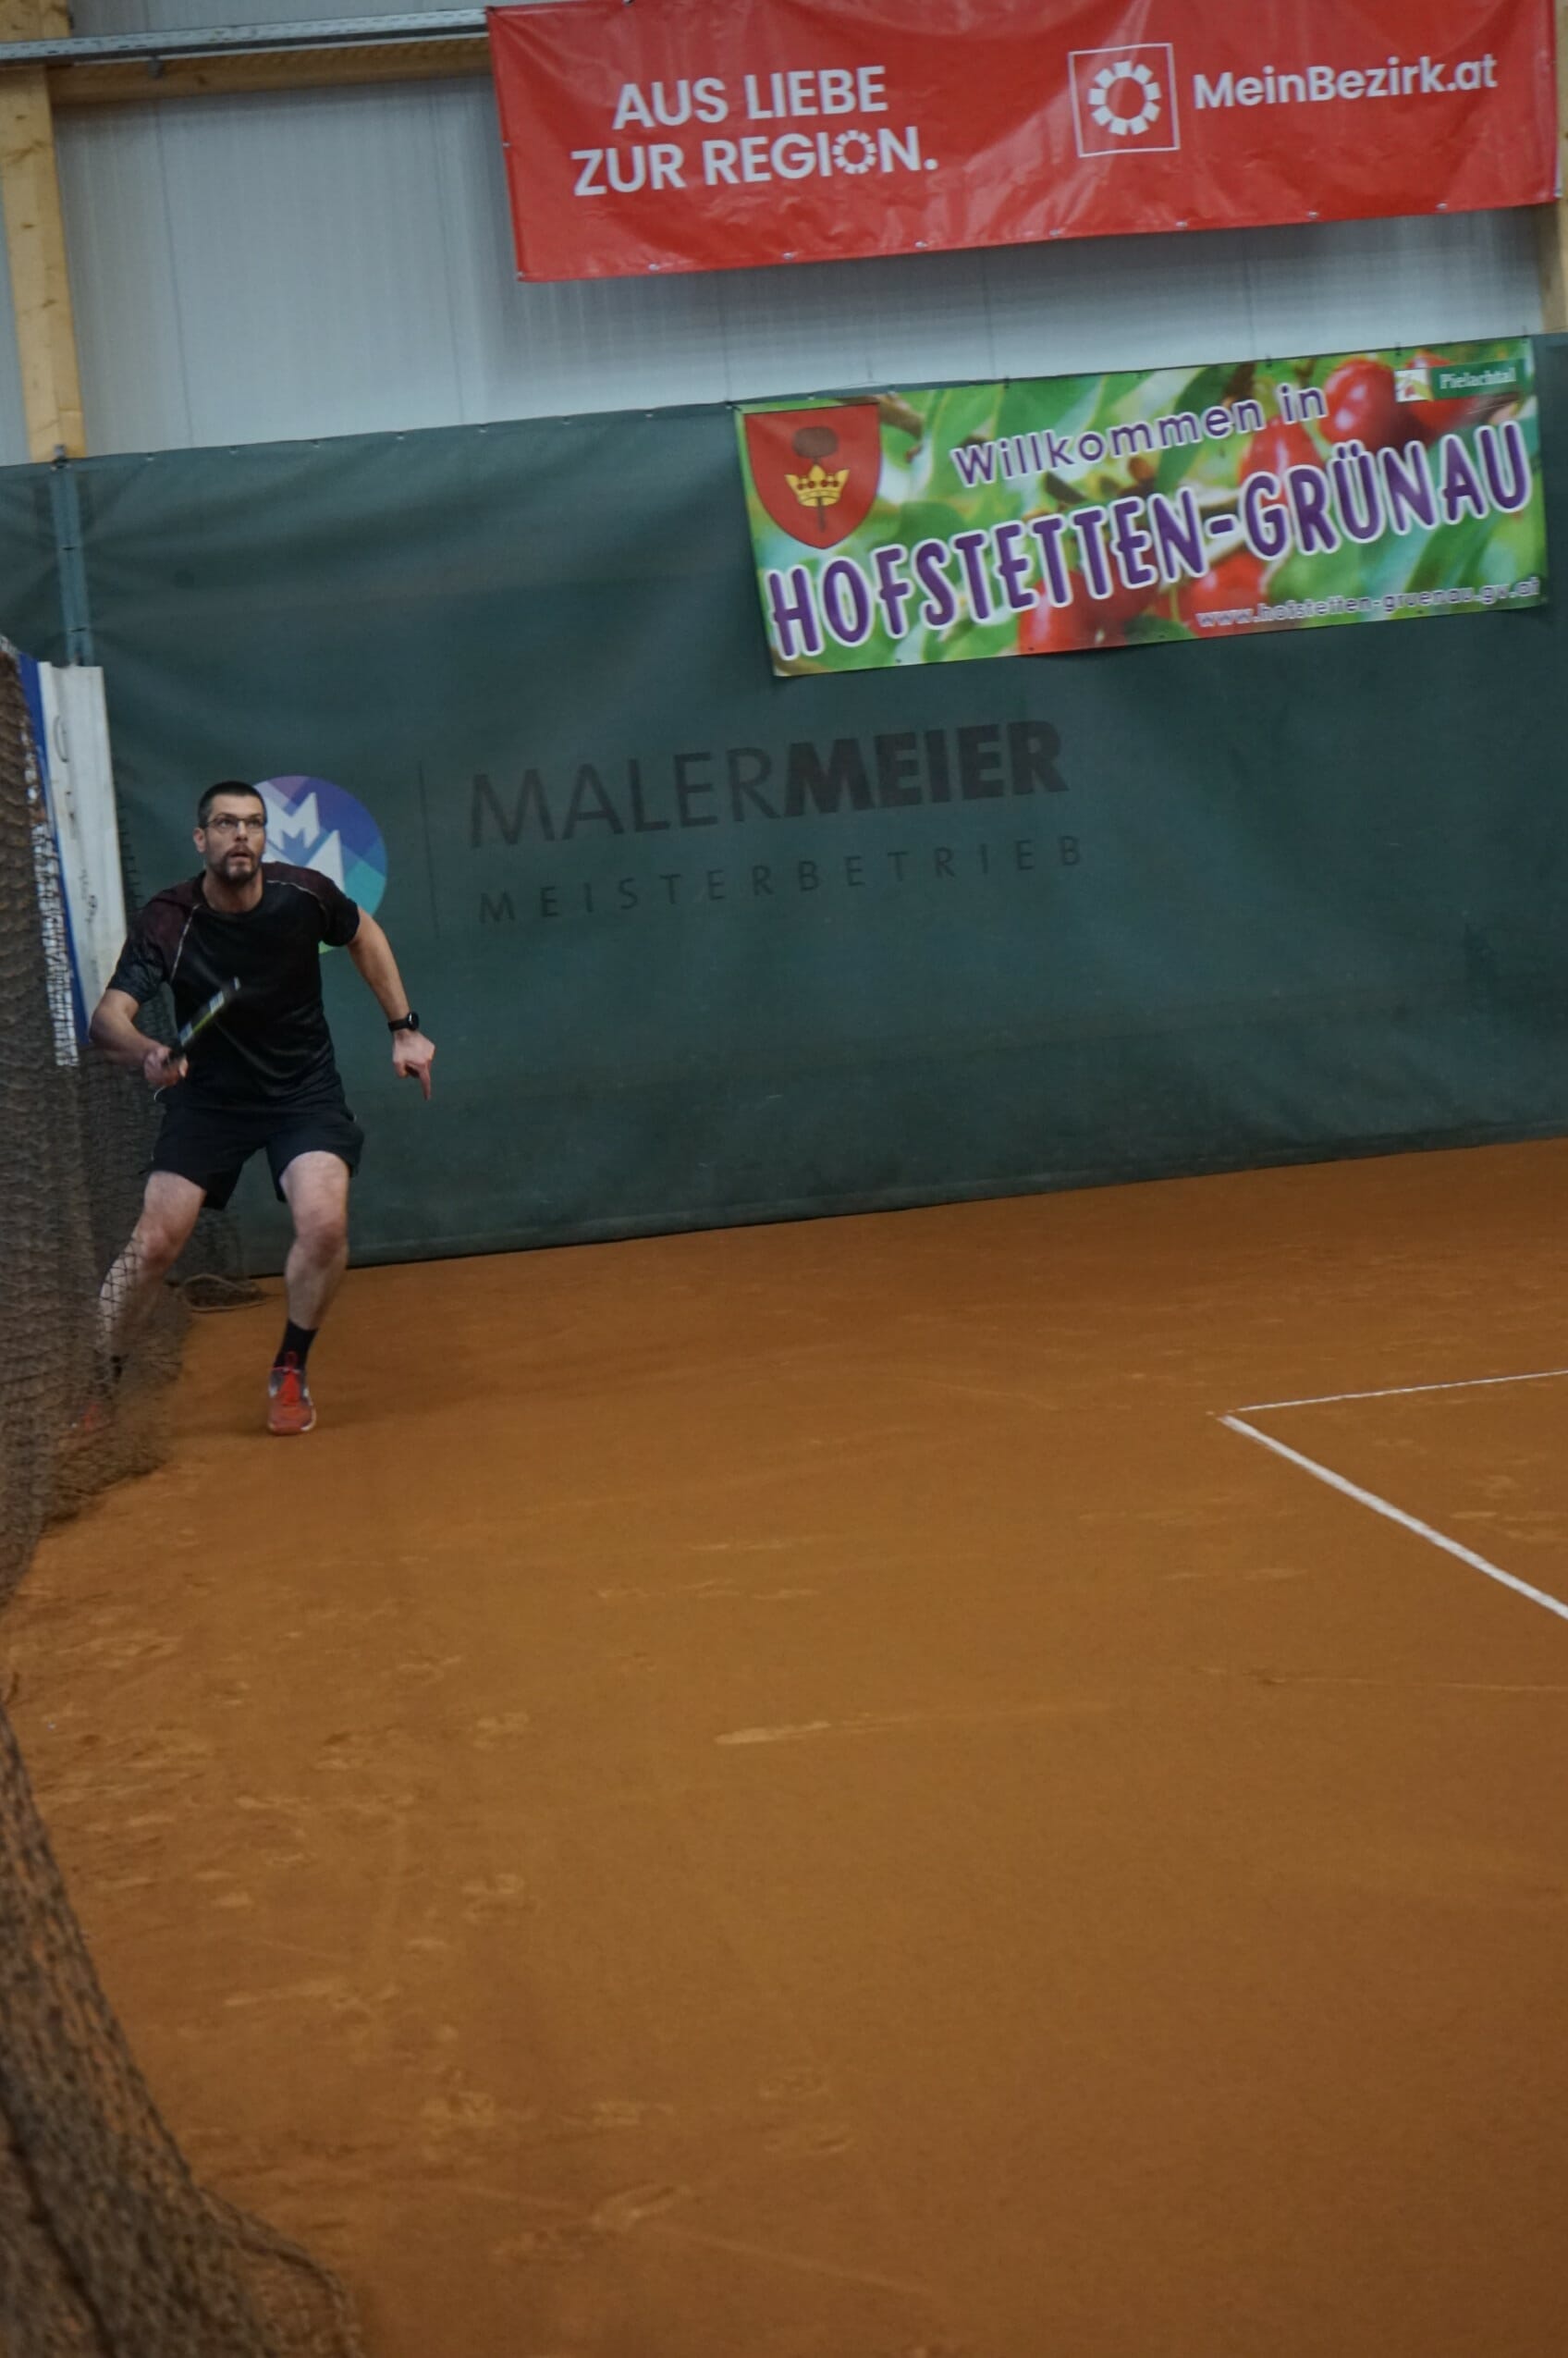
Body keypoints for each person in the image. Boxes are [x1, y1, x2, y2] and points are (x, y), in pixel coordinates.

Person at [89, 780, 435, 1435]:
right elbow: (108, 1019)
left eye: (252, 823)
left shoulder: (303, 895)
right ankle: (99, 1388)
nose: (240, 835)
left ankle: (290, 1368)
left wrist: (404, 1027)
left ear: (265, 837)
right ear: (202, 839)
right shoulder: (169, 919)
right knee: (155, 1242)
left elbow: (363, 933)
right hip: (208, 1101)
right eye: (225, 824)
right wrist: (146, 1052)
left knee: (324, 1225)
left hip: (301, 1092)